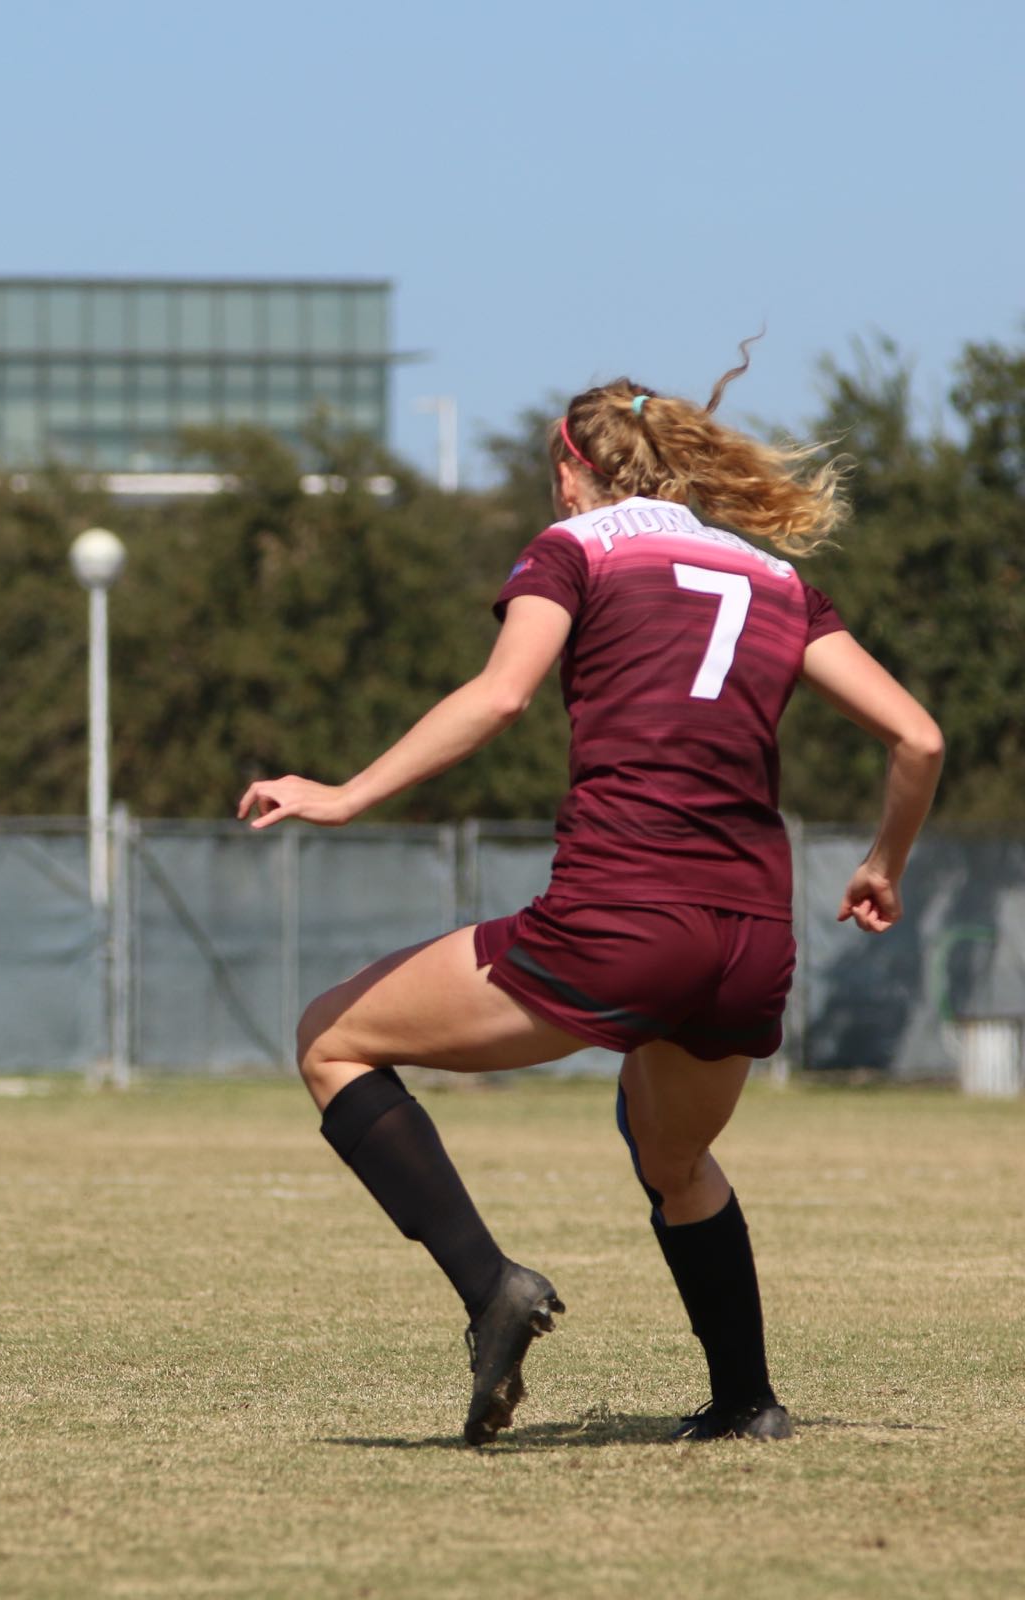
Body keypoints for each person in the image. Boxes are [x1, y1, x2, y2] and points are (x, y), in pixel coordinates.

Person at [238, 353, 941, 1446]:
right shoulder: (775, 579)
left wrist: (344, 793)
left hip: (625, 917)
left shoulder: (573, 549)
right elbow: (919, 736)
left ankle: (489, 1290)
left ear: (575, 468)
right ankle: (747, 1400)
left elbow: (502, 692)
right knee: (673, 1157)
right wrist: (884, 862)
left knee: (330, 1036)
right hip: (752, 936)